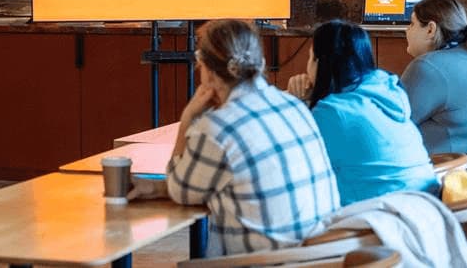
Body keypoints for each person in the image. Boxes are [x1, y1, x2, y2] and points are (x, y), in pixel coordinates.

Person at [129, 20, 340, 256]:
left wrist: (188, 117)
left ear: (206, 69)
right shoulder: (293, 105)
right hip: (319, 258)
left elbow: (182, 190)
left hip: (268, 262)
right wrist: (157, 187)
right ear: (260, 64)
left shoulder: (217, 128)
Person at [287, 21, 438, 206]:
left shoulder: (332, 112)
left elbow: (294, 163)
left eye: (310, 58)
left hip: (378, 218)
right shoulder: (389, 91)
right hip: (426, 207)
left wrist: (295, 103)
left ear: (321, 64)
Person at [401, 0, 467, 154]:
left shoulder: (427, 67)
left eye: (412, 24)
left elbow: (392, 125)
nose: (407, 30)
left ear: (430, 29)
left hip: (448, 172)